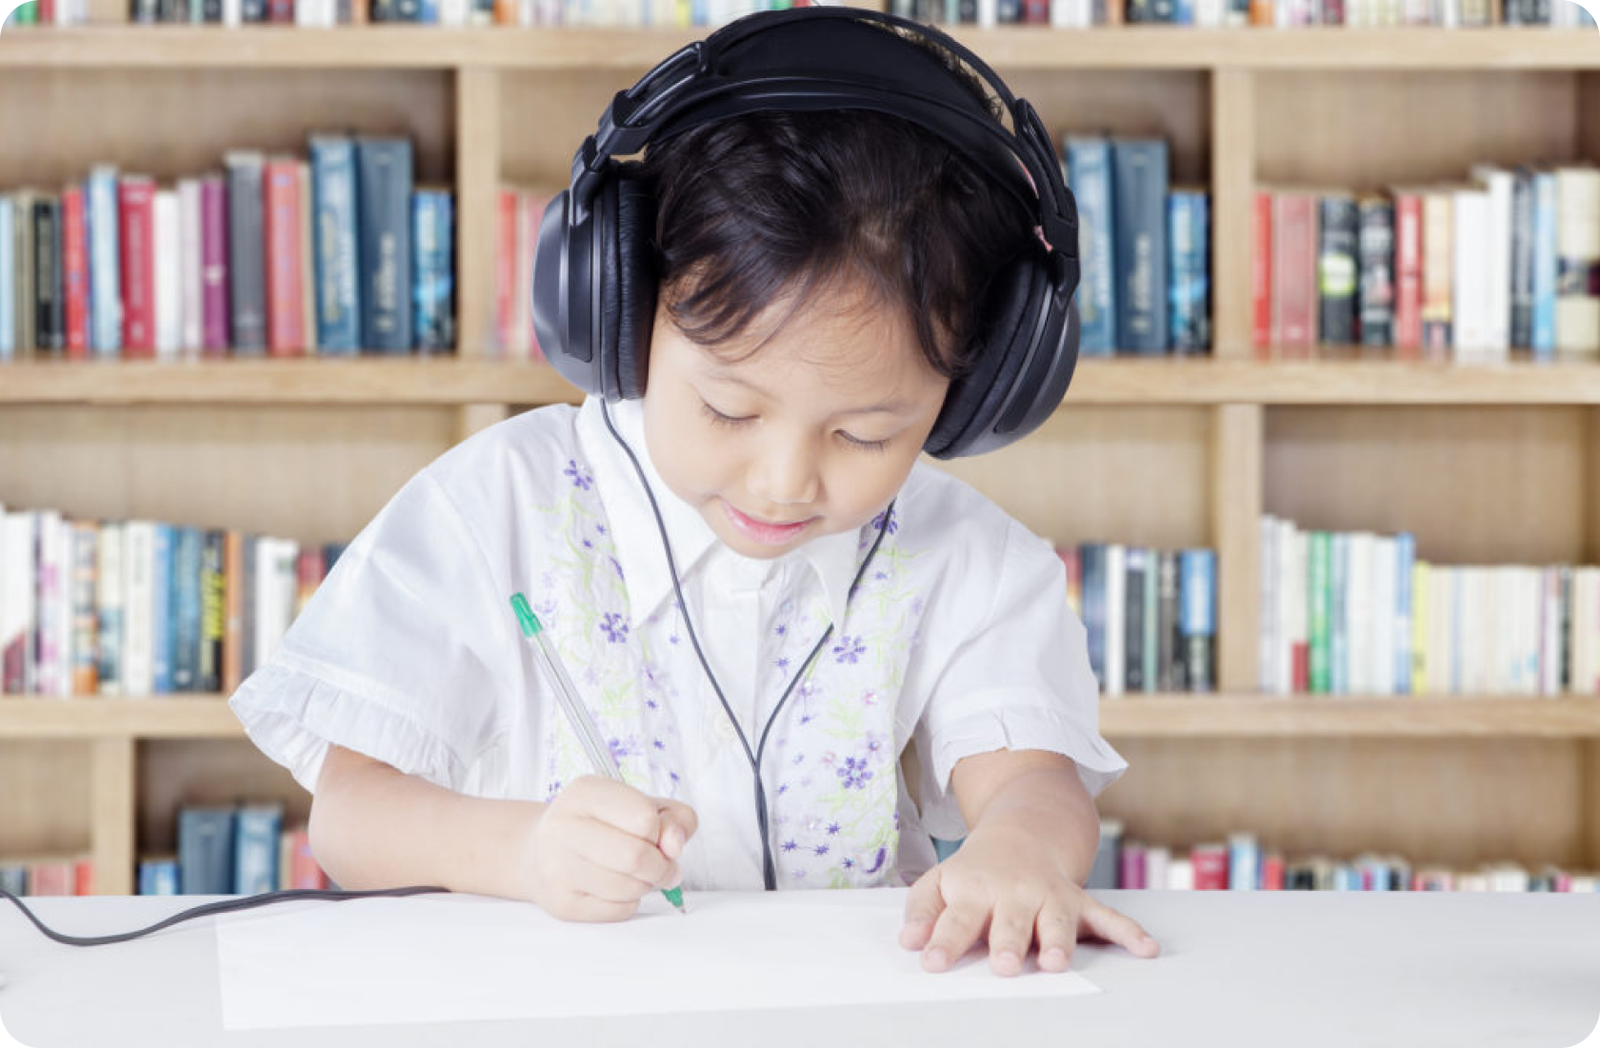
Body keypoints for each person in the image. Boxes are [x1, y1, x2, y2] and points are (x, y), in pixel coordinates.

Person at [229, 5, 1162, 977]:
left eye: (864, 433)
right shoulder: (490, 509)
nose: (785, 478)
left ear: (977, 390)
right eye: (727, 408)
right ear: (624, 309)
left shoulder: (963, 553)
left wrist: (1018, 851)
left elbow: (1032, 782)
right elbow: (348, 816)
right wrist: (520, 850)